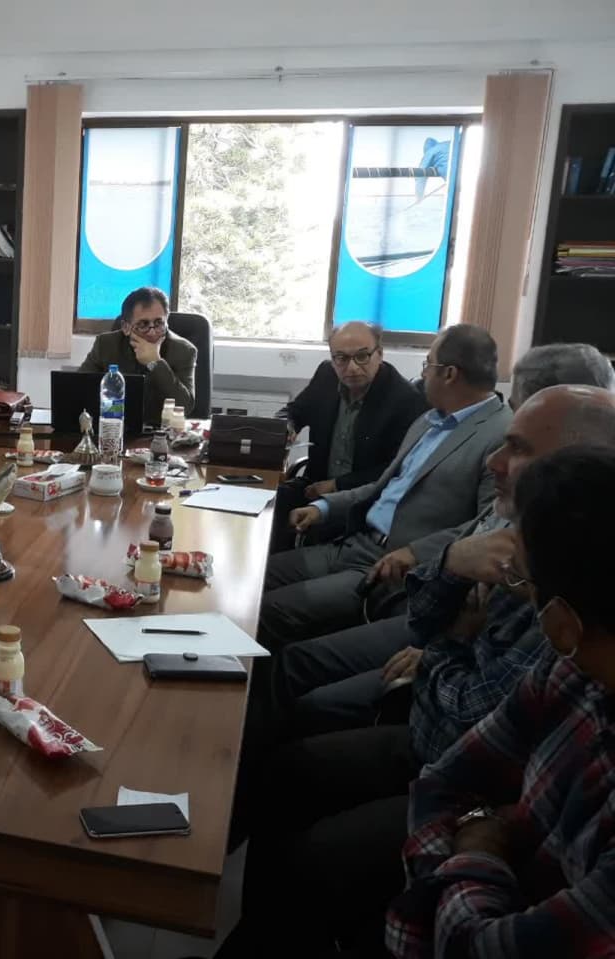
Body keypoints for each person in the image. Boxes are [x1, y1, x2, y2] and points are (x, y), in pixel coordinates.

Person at [217, 385, 615, 959]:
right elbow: (453, 755)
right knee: (288, 774)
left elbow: (457, 718)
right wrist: (451, 567)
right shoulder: (572, 666)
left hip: (464, 777)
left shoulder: (560, 589)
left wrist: (478, 842)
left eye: (518, 449)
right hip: (454, 756)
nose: (494, 462)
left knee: (316, 859)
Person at [272, 342, 615, 735]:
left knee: (294, 668)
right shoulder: (430, 423)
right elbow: (394, 504)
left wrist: (442, 645)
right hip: (406, 585)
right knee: (267, 595)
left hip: (434, 660)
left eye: (428, 364)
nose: (499, 458)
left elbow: (487, 703)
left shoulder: (562, 541)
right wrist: (451, 561)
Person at [387, 444, 615, 957]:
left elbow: (474, 947)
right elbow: (442, 782)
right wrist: (471, 842)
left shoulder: (565, 656)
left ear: (561, 624)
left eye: (520, 580)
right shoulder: (570, 670)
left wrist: (478, 847)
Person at [259, 325, 510, 649]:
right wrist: (323, 507)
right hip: (357, 541)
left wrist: (415, 553)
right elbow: (382, 487)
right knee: (253, 577)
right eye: (341, 358)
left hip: (392, 564)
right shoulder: (431, 422)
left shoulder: (500, 436)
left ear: (449, 374)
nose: (422, 374)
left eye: (427, 364)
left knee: (268, 610)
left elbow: (488, 530)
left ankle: (258, 677)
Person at [271, 321, 428, 552]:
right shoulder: (326, 374)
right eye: (341, 358)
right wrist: (287, 426)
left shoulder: (405, 399)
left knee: (309, 538)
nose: (352, 367)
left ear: (379, 354)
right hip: (314, 484)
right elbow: (294, 411)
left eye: (362, 356)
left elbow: (396, 469)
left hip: (361, 499)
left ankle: (286, 567)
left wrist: (338, 485)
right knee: (267, 505)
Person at [78, 286, 196, 422]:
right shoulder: (106, 345)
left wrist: (155, 363)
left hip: (161, 430)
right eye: (143, 324)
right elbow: (79, 389)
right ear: (126, 327)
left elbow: (185, 407)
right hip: (114, 425)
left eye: (159, 323)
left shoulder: (183, 350)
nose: (152, 332)